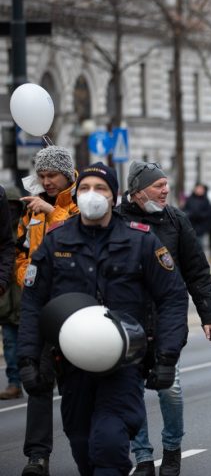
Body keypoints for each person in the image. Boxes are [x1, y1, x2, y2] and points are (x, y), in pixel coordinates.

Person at [18, 163, 188, 476]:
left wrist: (167, 356)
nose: (91, 195)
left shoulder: (141, 241)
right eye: (84, 188)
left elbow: (172, 297)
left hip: (124, 364)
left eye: (100, 189)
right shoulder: (56, 242)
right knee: (82, 443)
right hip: (72, 364)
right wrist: (27, 359)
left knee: (109, 443)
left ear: (113, 197)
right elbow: (33, 302)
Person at [117, 161, 211, 476]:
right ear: (136, 191)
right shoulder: (116, 220)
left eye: (166, 184)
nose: (166, 191)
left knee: (170, 388)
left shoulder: (177, 220)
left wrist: (209, 316)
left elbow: (197, 271)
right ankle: (144, 458)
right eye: (158, 185)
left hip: (167, 318)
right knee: (130, 390)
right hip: (126, 319)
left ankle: (172, 450)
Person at [15, 145, 80, 476]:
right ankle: (37, 457)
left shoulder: (85, 199)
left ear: (66, 174)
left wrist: (51, 212)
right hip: (40, 304)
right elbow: (22, 250)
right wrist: (24, 273)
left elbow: (80, 235)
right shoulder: (33, 210)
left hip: (74, 307)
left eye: (51, 175)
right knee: (38, 382)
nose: (46, 181)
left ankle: (85, 445)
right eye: (41, 175)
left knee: (76, 382)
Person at [0, 184, 19, 400]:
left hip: (24, 300)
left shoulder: (26, 229)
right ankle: (14, 382)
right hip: (6, 302)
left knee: (28, 346)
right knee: (10, 344)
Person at [183, 183, 211, 260]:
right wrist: (190, 215)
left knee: (200, 243)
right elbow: (185, 210)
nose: (200, 190)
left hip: (202, 226)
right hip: (191, 225)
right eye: (198, 188)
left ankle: (200, 259)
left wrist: (200, 215)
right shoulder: (190, 199)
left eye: (201, 189)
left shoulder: (206, 200)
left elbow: (209, 212)